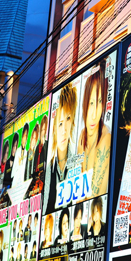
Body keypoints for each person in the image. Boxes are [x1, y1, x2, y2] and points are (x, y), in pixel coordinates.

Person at [77, 64, 111, 198]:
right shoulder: (82, 136)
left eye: (99, 102)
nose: (93, 114)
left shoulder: (105, 139)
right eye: (91, 103)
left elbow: (94, 196)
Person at [44, 83, 78, 214]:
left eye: (68, 119)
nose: (64, 130)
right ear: (53, 128)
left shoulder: (77, 162)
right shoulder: (48, 171)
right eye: (60, 123)